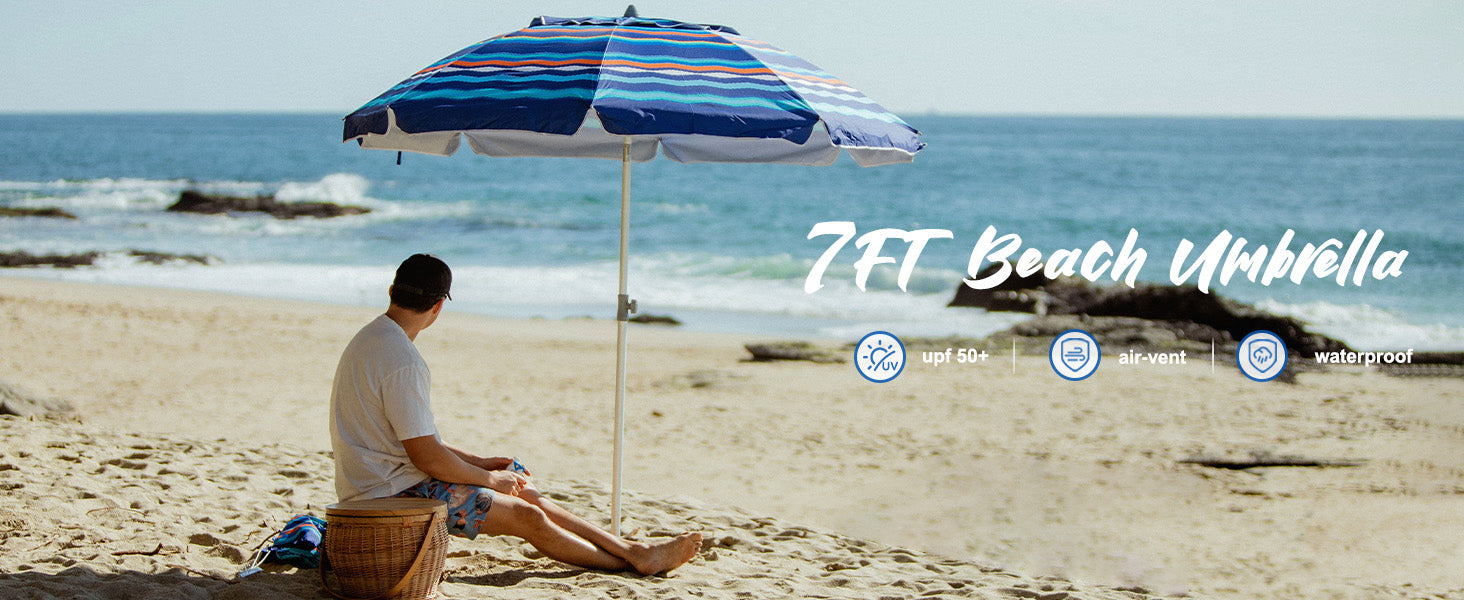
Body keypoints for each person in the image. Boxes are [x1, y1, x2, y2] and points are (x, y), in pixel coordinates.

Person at [329, 254, 701, 576]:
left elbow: (416, 441)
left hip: (385, 480)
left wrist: (483, 463)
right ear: (439, 306)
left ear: (392, 291)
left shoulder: (370, 338)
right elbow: (426, 457)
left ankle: (634, 552)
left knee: (530, 496)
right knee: (529, 517)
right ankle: (629, 562)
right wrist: (488, 478)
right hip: (391, 494)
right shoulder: (403, 362)